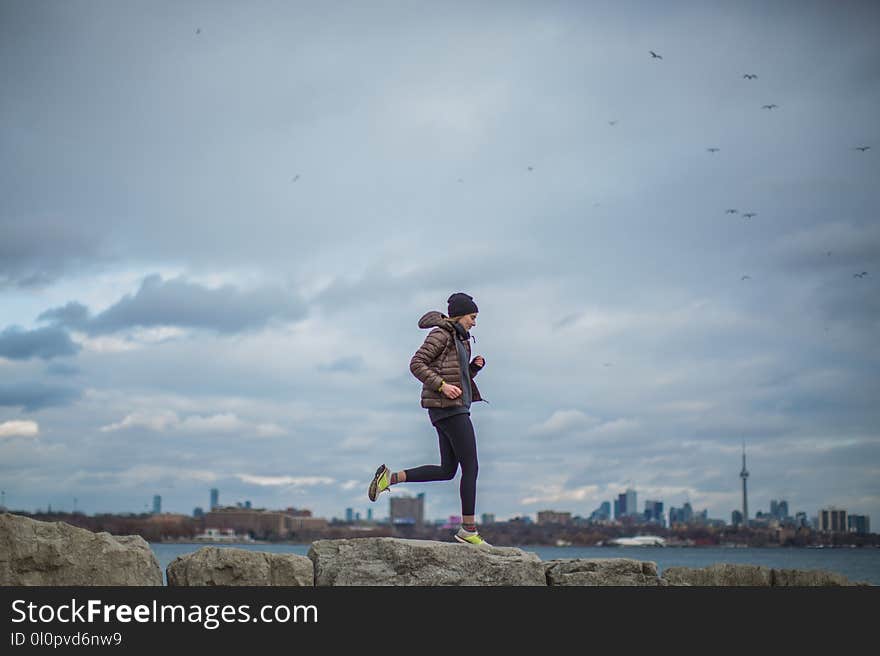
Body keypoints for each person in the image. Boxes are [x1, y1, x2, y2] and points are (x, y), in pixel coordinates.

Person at [368, 292, 490, 546]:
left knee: (448, 470)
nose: (475, 323)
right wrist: (443, 386)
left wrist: (473, 370)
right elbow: (417, 363)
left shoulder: (461, 339)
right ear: (460, 315)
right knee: (471, 466)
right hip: (448, 408)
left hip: (449, 407)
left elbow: (456, 376)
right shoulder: (441, 334)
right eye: (473, 317)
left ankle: (390, 478)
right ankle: (468, 529)